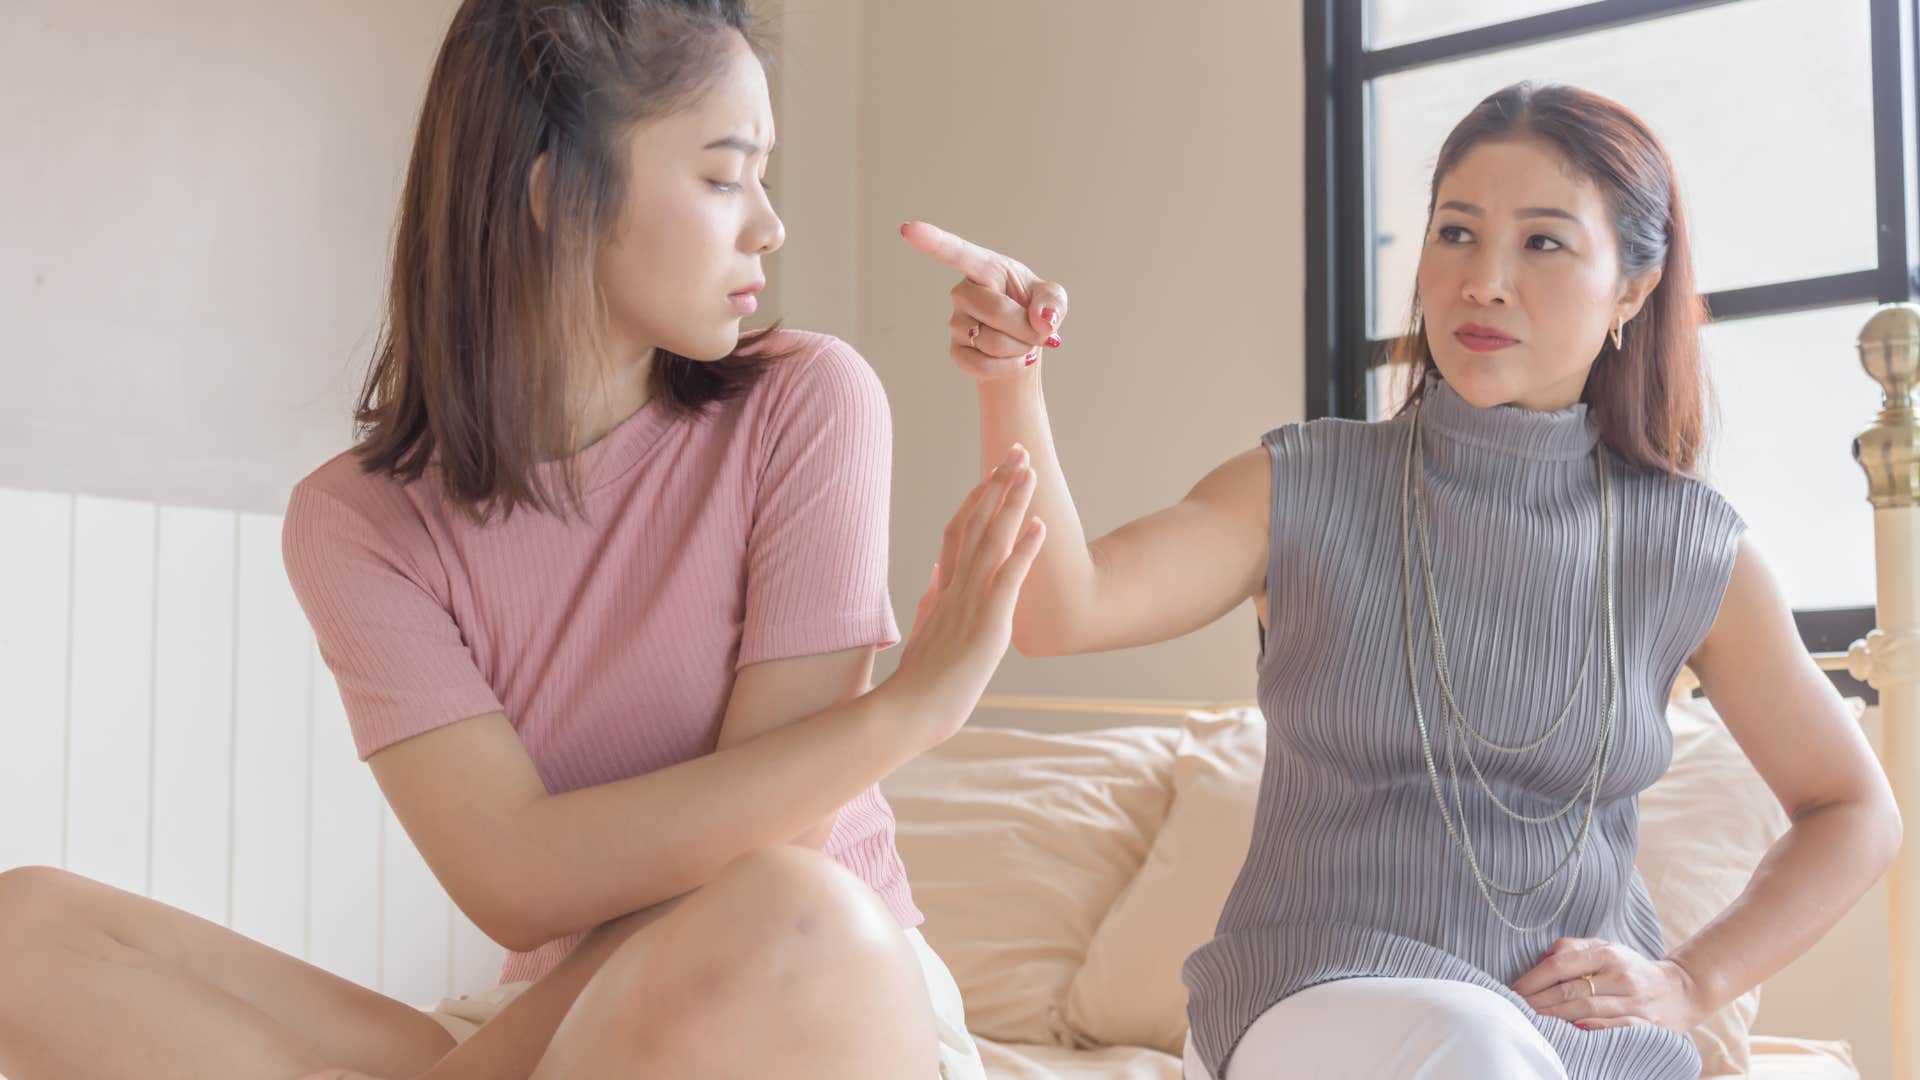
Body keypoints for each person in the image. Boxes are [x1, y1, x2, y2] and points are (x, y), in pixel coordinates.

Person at [0, 2, 1048, 1077]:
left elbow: (767, 846)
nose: (769, 226)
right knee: (21, 935)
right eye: (727, 176)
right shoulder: (356, 525)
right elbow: (512, 878)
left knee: (784, 904)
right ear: (557, 195)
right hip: (547, 1037)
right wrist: (911, 710)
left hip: (806, 995)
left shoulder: (809, 401)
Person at [902, 81, 1900, 1079]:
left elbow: (1855, 811)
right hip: (1316, 1002)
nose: (1485, 281)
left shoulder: (1692, 550)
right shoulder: (1302, 484)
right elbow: (1058, 610)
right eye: (1456, 233)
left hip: (1580, 1044)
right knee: (1463, 1041)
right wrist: (1012, 377)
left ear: (1633, 291)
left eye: (1543, 243)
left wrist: (1690, 983)